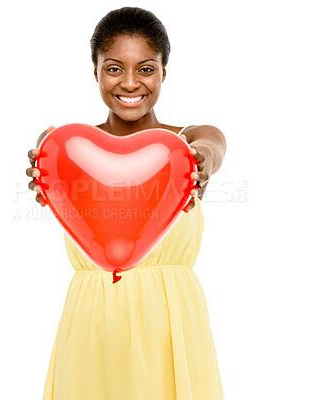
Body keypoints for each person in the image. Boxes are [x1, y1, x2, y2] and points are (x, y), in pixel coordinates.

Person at [26, 7, 227, 400]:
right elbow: (48, 163)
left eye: (146, 68)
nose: (131, 83)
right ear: (96, 71)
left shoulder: (188, 141)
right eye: (114, 68)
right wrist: (46, 170)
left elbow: (212, 148)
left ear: (164, 71)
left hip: (170, 325)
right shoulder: (70, 149)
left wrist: (200, 163)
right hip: (91, 324)